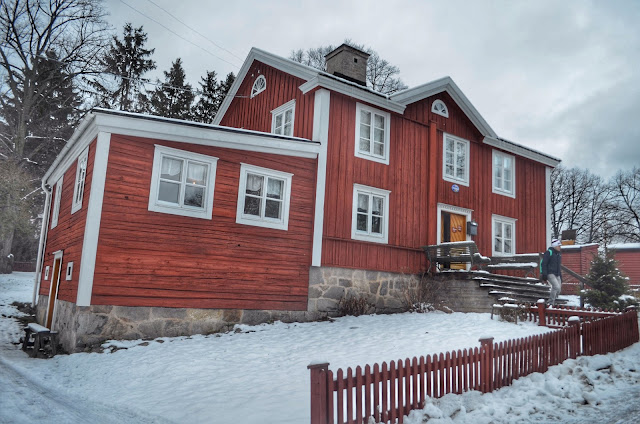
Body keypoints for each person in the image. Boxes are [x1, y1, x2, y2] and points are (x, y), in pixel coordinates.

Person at [540, 238, 562, 306]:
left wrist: (560, 275)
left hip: (557, 273)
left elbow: (559, 266)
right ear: (555, 246)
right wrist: (544, 274)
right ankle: (550, 302)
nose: (560, 247)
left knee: (559, 289)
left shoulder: (558, 254)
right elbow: (543, 263)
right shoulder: (549, 252)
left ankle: (554, 301)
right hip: (550, 273)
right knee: (556, 287)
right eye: (559, 246)